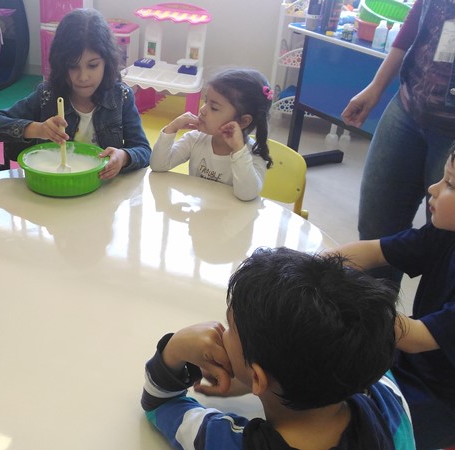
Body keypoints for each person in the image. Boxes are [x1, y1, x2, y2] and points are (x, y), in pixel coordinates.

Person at [141, 247, 414, 449]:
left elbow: (159, 404)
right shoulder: (389, 403)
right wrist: (263, 377)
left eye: (231, 327)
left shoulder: (224, 441)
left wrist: (175, 347)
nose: (222, 332)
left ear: (258, 377)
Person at [331, 143, 455, 449]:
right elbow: (374, 251)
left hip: (442, 396)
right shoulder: (443, 232)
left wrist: (342, 297)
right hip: (411, 361)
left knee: (350, 429)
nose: (433, 188)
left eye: (450, 184)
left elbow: (414, 337)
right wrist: (312, 264)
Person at [341, 0, 455, 282]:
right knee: (376, 227)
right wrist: (376, 86)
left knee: (443, 242)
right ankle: (374, 309)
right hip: (409, 105)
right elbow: (419, 15)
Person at [0, 8, 151, 180]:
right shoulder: (47, 96)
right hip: (54, 189)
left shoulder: (121, 97)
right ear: (61, 64)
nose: (83, 77)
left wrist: (124, 157)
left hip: (103, 189)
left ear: (106, 62)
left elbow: (143, 150)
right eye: (73, 66)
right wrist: (37, 129)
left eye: (93, 65)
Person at [149, 68, 273, 201]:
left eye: (214, 108)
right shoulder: (195, 139)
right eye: (205, 101)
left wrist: (238, 151)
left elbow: (247, 195)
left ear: (243, 121)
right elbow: (158, 165)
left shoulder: (253, 154)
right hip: (200, 211)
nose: (202, 110)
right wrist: (172, 128)